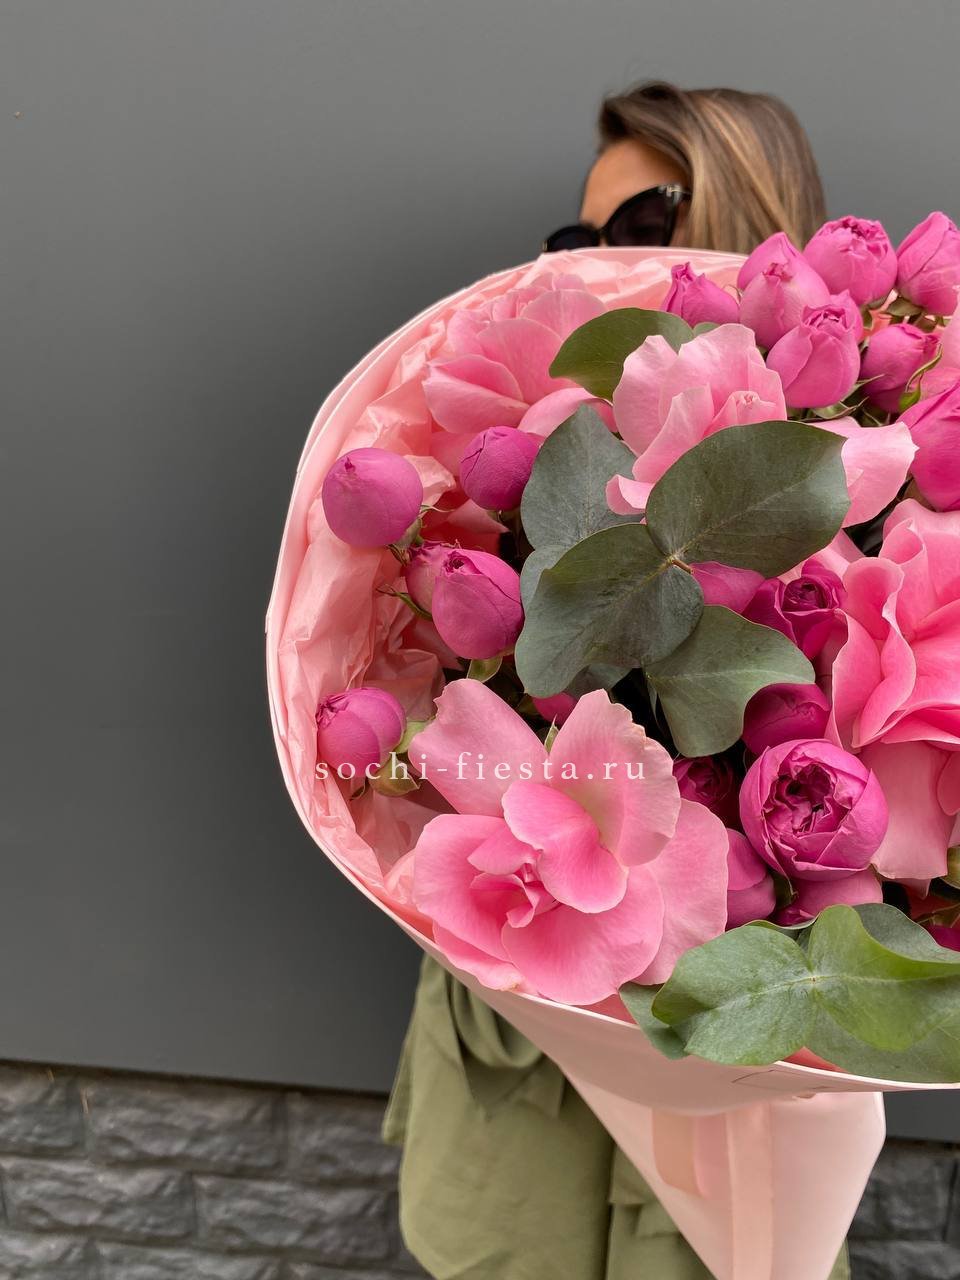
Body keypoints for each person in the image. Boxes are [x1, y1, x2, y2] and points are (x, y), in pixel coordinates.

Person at [383, 80, 848, 1280]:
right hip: (525, 1008)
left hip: (726, 1054)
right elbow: (448, 729)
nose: (596, 260)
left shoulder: (844, 480)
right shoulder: (529, 473)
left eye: (641, 221)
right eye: (578, 235)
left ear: (748, 215)